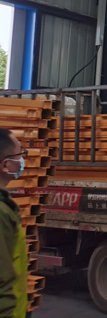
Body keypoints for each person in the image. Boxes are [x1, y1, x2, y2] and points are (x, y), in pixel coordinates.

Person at [0, 128, 28, 318]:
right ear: (5, 165)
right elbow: (3, 281)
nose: (22, 160)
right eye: (19, 155)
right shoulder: (1, 213)